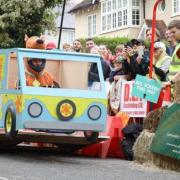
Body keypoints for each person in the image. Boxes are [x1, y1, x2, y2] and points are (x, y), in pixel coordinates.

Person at [164, 20, 180, 86]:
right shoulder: (178, 46)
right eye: (171, 32)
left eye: (174, 32)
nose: (172, 35)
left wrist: (170, 82)